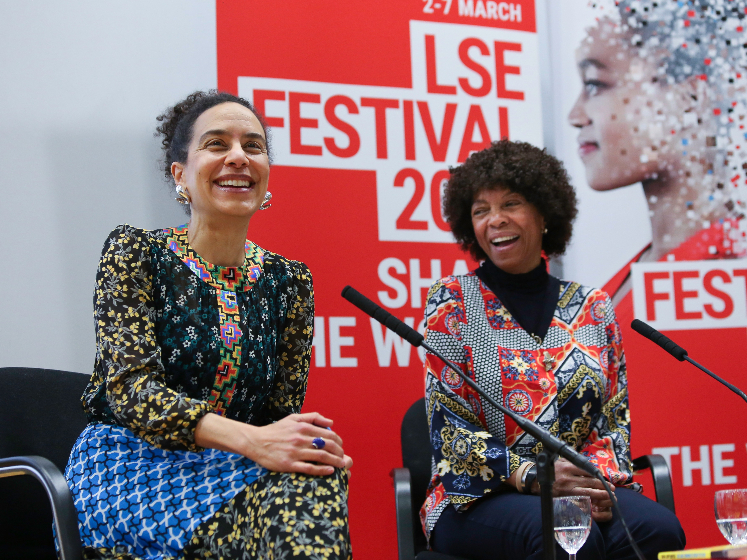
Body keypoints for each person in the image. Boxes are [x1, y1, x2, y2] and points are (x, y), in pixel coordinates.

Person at [64, 91, 353, 560]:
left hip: (233, 467)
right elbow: (131, 391)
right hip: (131, 466)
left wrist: (301, 446)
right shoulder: (135, 253)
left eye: (253, 146)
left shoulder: (290, 281)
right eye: (217, 144)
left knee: (314, 468)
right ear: (180, 174)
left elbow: (278, 416)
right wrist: (254, 441)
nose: (238, 157)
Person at [420, 140, 685, 559]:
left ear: (544, 213)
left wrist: (593, 482)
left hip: (579, 488)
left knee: (660, 529)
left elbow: (613, 421)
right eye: (481, 210)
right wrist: (534, 477)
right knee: (565, 537)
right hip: (478, 494)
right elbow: (450, 431)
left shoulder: (593, 307)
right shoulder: (452, 303)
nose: (495, 220)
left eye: (511, 204)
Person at [568, 0, 747, 303]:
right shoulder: (640, 270)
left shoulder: (730, 265)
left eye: (595, 84)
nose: (575, 116)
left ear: (689, 98)